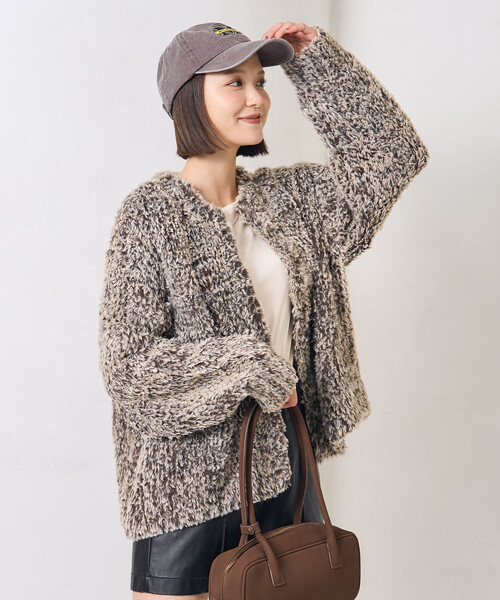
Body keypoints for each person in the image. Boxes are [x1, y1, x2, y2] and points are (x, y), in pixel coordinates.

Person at [98, 20, 429, 600]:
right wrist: (251, 366)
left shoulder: (292, 203)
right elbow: (129, 365)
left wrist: (317, 64)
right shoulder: (149, 216)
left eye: (260, 81)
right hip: (184, 483)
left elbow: (391, 157)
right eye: (234, 82)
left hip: (283, 468)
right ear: (188, 98)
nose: (255, 98)